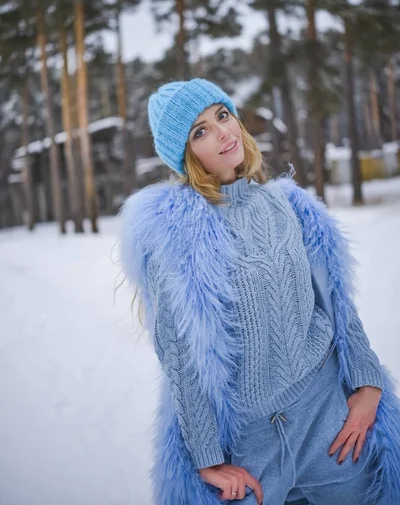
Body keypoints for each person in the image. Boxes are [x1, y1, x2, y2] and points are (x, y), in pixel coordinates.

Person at [119, 78, 400, 505]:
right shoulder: (178, 235)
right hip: (251, 450)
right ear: (186, 154)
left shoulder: (290, 205)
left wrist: (367, 383)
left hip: (333, 425)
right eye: (200, 131)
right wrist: (207, 457)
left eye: (222, 115)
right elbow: (182, 358)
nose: (222, 133)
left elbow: (337, 301)